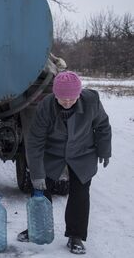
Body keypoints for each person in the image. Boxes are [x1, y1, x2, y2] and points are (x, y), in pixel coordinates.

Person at [18, 71, 111, 254]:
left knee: (80, 194)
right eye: (62, 99)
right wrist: (36, 174)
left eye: (72, 98)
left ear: (79, 94)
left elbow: (103, 125)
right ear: (55, 95)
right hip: (53, 153)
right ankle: (37, 228)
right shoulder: (46, 106)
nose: (67, 102)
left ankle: (75, 236)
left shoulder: (91, 101)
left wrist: (104, 150)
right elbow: (35, 141)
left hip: (83, 153)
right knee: (40, 190)